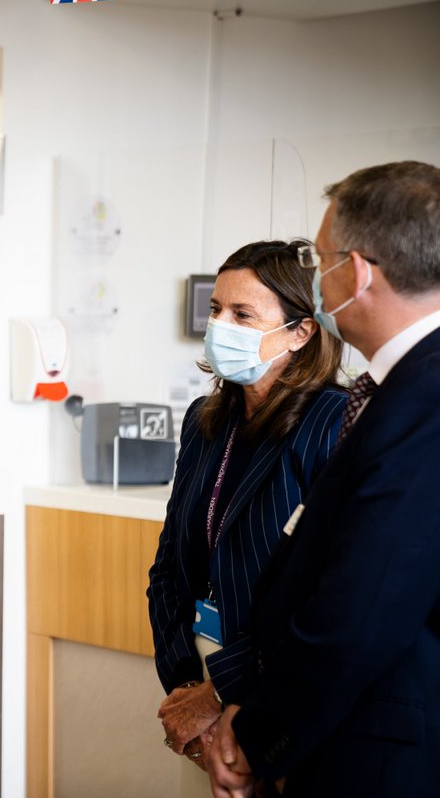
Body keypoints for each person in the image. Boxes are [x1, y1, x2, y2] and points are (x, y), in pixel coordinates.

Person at [208, 161, 440, 797]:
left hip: (381, 750)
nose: (314, 279)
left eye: (318, 259)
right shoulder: (402, 387)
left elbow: (363, 606)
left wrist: (259, 734)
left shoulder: (425, 399)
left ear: (357, 272)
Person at [146, 241, 346, 773]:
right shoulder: (205, 420)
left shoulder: (335, 423)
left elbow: (326, 596)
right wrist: (186, 690)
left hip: (284, 697)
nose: (220, 326)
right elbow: (168, 569)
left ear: (301, 332)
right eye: (216, 309)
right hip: (198, 691)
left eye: (242, 314)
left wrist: (220, 693)